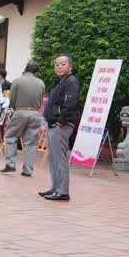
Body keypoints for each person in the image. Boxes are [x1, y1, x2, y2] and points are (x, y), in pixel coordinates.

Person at [41, 55, 80, 201]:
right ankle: (55, 187)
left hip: (61, 125)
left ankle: (63, 191)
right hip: (53, 124)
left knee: (60, 158)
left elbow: (70, 104)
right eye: (57, 64)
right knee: (53, 158)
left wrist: (59, 122)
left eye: (63, 64)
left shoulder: (72, 82)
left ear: (70, 66)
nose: (59, 67)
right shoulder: (60, 82)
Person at [0, 63, 45, 176]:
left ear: (25, 69)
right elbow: (40, 99)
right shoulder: (41, 82)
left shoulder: (17, 81)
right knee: (32, 143)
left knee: (11, 137)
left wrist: (14, 108)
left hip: (20, 110)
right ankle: (28, 170)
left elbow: (12, 98)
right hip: (35, 113)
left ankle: (10, 164)